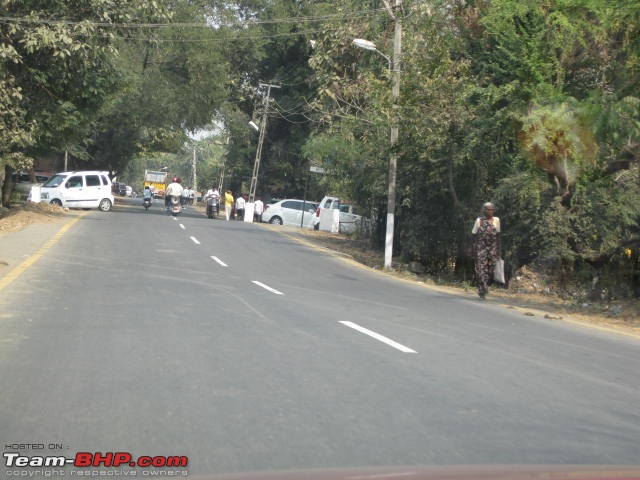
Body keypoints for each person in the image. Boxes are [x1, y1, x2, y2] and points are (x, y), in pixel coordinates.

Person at [472, 202, 501, 299]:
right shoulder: (479, 221)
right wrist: (472, 248)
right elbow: (474, 235)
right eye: (488, 209)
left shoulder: (496, 220)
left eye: (492, 209)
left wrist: (499, 251)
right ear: (483, 210)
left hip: (492, 249)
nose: (490, 211)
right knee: (481, 270)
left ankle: (486, 285)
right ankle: (482, 289)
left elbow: (498, 236)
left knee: (491, 270)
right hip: (481, 249)